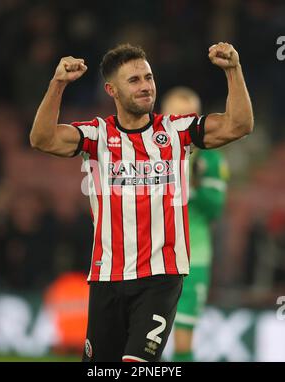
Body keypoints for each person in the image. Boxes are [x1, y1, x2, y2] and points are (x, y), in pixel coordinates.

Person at [30, 42, 253, 362]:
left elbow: (240, 125)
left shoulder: (177, 131)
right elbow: (41, 139)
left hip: (161, 278)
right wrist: (58, 84)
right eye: (134, 80)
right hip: (107, 276)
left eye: (148, 77)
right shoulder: (97, 136)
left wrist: (233, 70)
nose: (146, 86)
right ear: (112, 90)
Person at [161, 87, 229, 361]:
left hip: (192, 259)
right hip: (152, 256)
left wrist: (190, 185)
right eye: (174, 114)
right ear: (162, 116)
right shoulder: (150, 153)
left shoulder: (210, 158)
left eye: (187, 116)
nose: (179, 120)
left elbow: (215, 208)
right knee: (141, 338)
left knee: (183, 340)